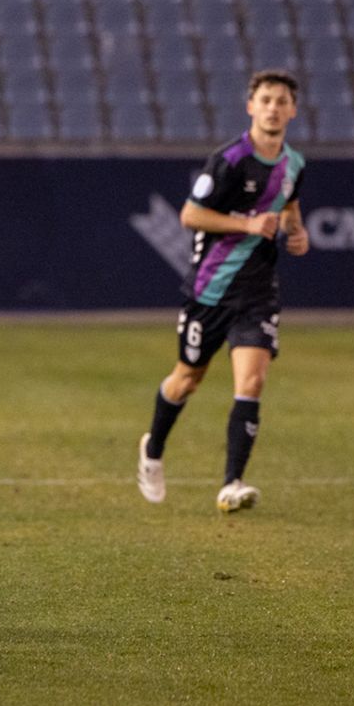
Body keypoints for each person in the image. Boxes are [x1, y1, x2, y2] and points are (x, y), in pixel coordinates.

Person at [136, 70, 309, 514]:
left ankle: (232, 483)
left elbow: (288, 203)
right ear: (251, 107)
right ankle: (153, 449)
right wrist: (247, 224)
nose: (273, 108)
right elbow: (190, 215)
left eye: (281, 101)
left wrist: (296, 230)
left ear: (293, 110)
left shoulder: (294, 164)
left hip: (258, 291)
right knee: (187, 379)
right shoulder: (229, 160)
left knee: (251, 382)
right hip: (210, 290)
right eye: (265, 100)